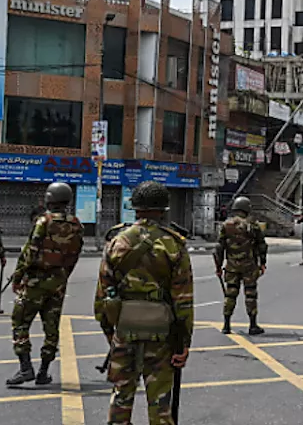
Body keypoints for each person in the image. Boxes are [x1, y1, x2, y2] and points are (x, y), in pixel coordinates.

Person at [95, 181, 195, 425]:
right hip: (161, 334)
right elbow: (183, 301)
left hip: (124, 328)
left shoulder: (117, 242)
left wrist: (112, 334)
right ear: (164, 209)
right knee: (161, 403)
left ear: (135, 207)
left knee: (121, 397)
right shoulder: (174, 244)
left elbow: (102, 297)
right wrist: (183, 344)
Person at [6, 182, 84, 386]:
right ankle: (43, 372)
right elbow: (74, 256)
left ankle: (25, 368)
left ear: (49, 198)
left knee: (20, 322)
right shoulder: (76, 225)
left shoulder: (43, 222)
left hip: (35, 282)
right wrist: (63, 276)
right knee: (51, 328)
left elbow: (29, 252)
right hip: (58, 283)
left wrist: (17, 276)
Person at [214, 196, 267, 335]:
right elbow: (262, 245)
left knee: (230, 294)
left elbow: (219, 248)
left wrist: (218, 266)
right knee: (250, 295)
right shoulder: (253, 225)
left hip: (231, 266)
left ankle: (226, 325)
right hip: (249, 266)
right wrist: (263, 263)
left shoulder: (226, 225)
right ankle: (253, 324)